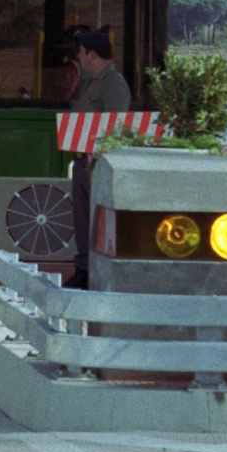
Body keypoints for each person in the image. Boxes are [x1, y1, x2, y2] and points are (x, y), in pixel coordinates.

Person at [67, 27, 131, 290]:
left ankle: (96, 274)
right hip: (83, 162)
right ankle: (82, 271)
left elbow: (116, 127)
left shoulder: (113, 84)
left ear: (91, 55)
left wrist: (99, 161)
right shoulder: (91, 82)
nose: (79, 59)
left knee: (97, 222)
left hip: (98, 164)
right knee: (82, 221)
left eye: (81, 54)